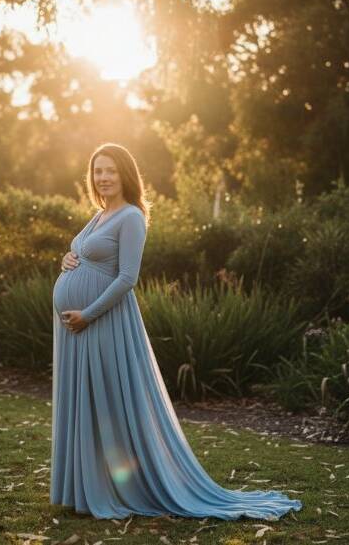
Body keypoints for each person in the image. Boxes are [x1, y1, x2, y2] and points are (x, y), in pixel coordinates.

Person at [50, 142, 303, 520]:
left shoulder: (131, 217)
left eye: (110, 171)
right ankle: (85, 489)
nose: (103, 177)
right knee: (85, 400)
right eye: (98, 171)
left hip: (103, 322)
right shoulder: (99, 215)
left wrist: (87, 314)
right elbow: (85, 256)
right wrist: (68, 258)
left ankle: (118, 488)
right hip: (77, 330)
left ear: (125, 175)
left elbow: (127, 279)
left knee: (107, 403)